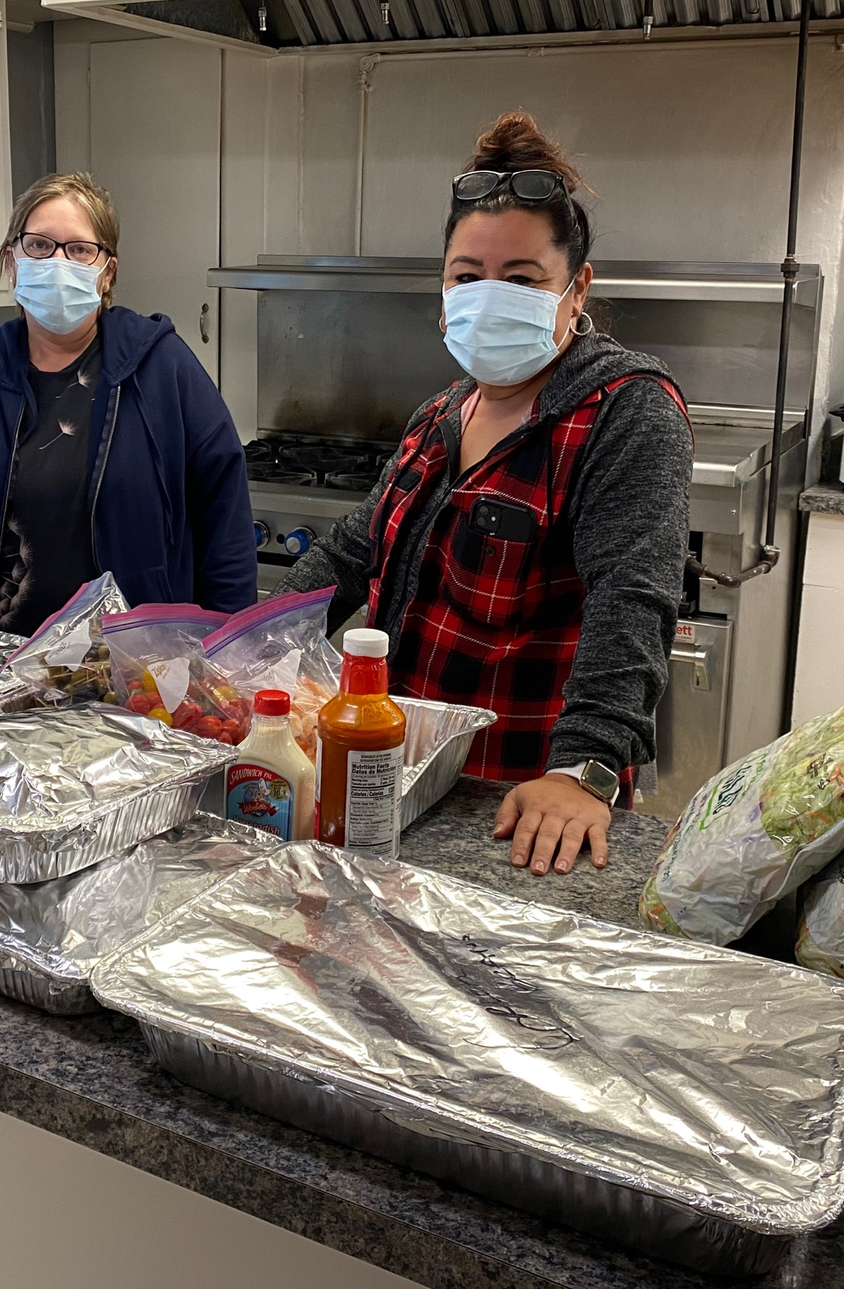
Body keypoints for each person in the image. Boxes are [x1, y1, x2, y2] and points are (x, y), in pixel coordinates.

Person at [277, 113, 692, 877]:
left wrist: (587, 771)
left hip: (524, 805)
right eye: (468, 276)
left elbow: (633, 597)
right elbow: (352, 550)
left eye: (522, 279)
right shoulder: (441, 414)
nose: (488, 297)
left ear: (577, 289)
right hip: (404, 780)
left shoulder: (625, 411)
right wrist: (247, 655)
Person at [0, 173, 257, 632]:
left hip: (134, 673)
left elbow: (224, 523)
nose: (57, 262)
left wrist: (230, 651)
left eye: (78, 250)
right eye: (39, 246)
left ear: (107, 271)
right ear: (12, 260)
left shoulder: (164, 370)